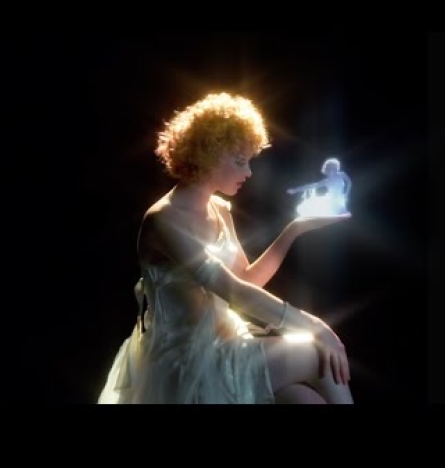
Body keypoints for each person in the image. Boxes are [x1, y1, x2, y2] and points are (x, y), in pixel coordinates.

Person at [97, 92, 354, 404]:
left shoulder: (219, 209)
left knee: (305, 400)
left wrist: (294, 230)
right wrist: (316, 326)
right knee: (318, 354)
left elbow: (246, 280)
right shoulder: (164, 220)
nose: (248, 172)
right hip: (189, 363)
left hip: (229, 345)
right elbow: (233, 291)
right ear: (207, 154)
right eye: (239, 161)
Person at [287, 158, 352, 217]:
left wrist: (346, 194)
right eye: (330, 169)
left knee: (343, 215)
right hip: (332, 201)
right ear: (327, 170)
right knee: (338, 215)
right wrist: (295, 190)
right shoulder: (326, 181)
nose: (332, 170)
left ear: (336, 168)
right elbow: (310, 186)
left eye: (334, 168)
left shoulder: (342, 174)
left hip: (340, 199)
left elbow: (349, 183)